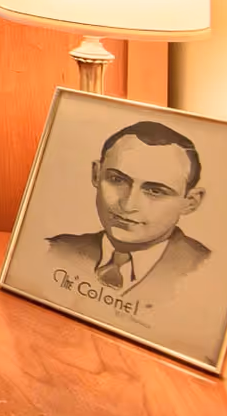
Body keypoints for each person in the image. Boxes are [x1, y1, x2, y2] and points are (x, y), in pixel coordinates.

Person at [46, 120, 211, 299]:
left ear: (190, 202)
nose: (128, 205)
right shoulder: (55, 250)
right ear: (96, 174)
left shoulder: (206, 275)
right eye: (117, 180)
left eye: (155, 191)